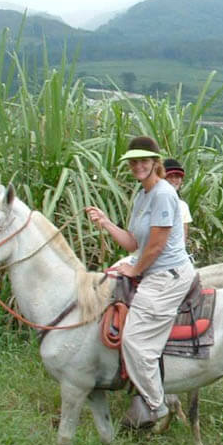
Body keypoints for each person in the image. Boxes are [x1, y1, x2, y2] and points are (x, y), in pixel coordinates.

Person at [84, 136, 195, 428]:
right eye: (133, 161)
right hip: (149, 267)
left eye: (143, 160)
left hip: (167, 274)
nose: (137, 166)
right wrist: (106, 223)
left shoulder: (162, 194)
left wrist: (134, 271)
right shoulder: (142, 195)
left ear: (155, 163)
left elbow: (156, 246)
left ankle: (157, 406)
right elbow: (134, 242)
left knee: (135, 341)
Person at [163, 158, 193, 243]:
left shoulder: (183, 206)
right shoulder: (152, 202)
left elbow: (183, 236)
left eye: (177, 177)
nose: (173, 180)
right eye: (170, 176)